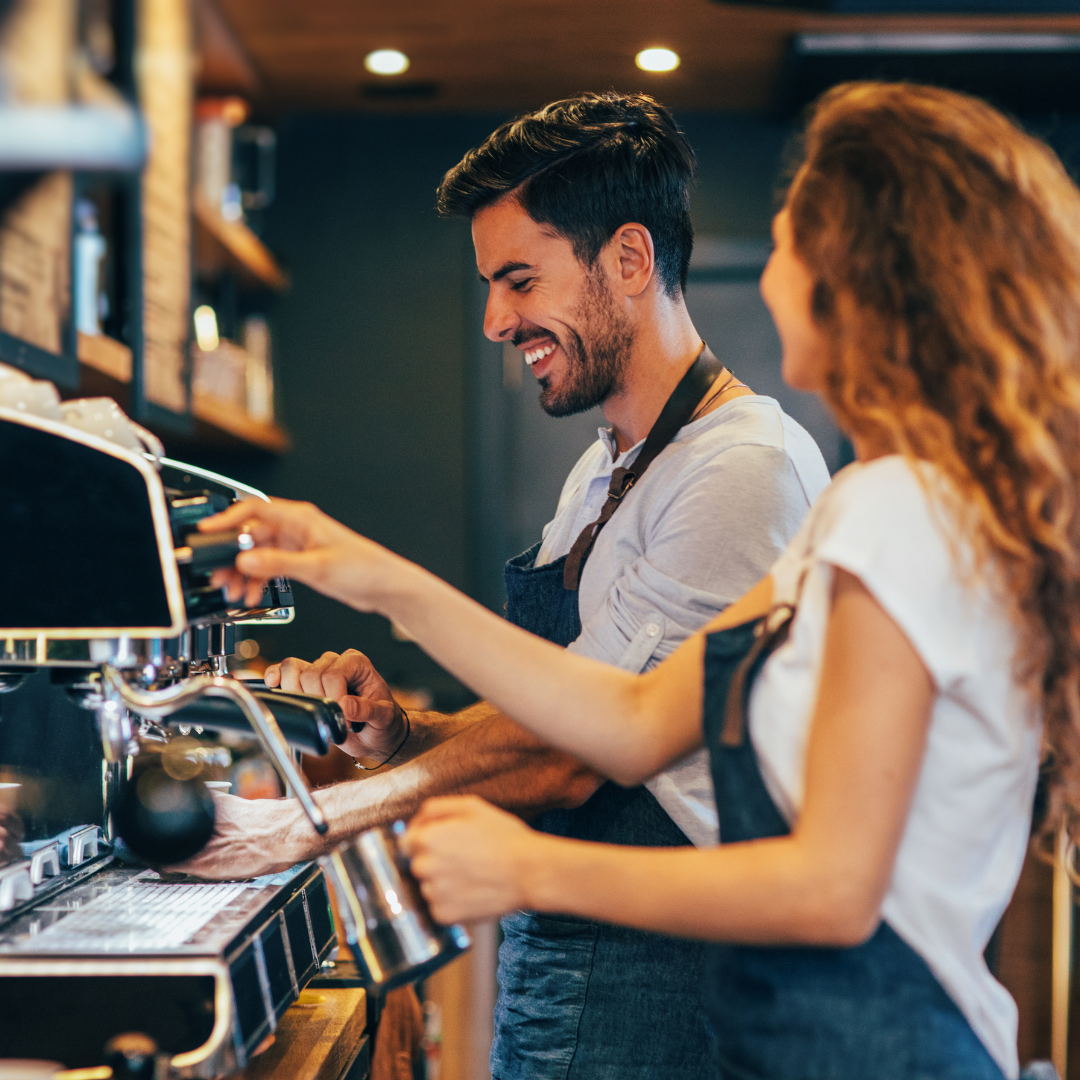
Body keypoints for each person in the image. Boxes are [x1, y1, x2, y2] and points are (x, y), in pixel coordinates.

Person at [196, 81, 1080, 1080]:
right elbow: (630, 719)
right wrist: (365, 575)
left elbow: (836, 886)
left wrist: (533, 865)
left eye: (788, 242)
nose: (768, 266)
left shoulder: (893, 512)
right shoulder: (861, 507)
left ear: (864, 277)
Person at [179, 92, 830, 1079]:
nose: (494, 320)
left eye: (519, 279)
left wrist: (303, 824)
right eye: (489, 284)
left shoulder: (743, 468)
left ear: (628, 260)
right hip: (566, 952)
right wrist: (405, 737)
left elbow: (588, 756)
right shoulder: (605, 468)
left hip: (663, 980)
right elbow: (569, 708)